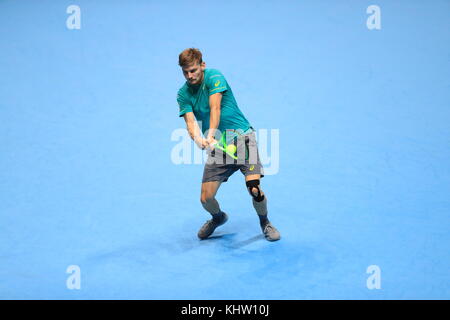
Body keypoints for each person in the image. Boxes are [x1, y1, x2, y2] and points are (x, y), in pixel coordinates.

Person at [176, 48, 280, 241]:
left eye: (193, 70)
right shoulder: (183, 94)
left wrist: (212, 134)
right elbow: (190, 122)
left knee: (254, 188)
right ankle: (218, 218)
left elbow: (215, 107)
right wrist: (199, 139)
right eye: (185, 72)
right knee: (205, 199)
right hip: (219, 149)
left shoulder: (214, 76)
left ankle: (265, 221)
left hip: (242, 138)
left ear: (202, 65)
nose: (190, 76)